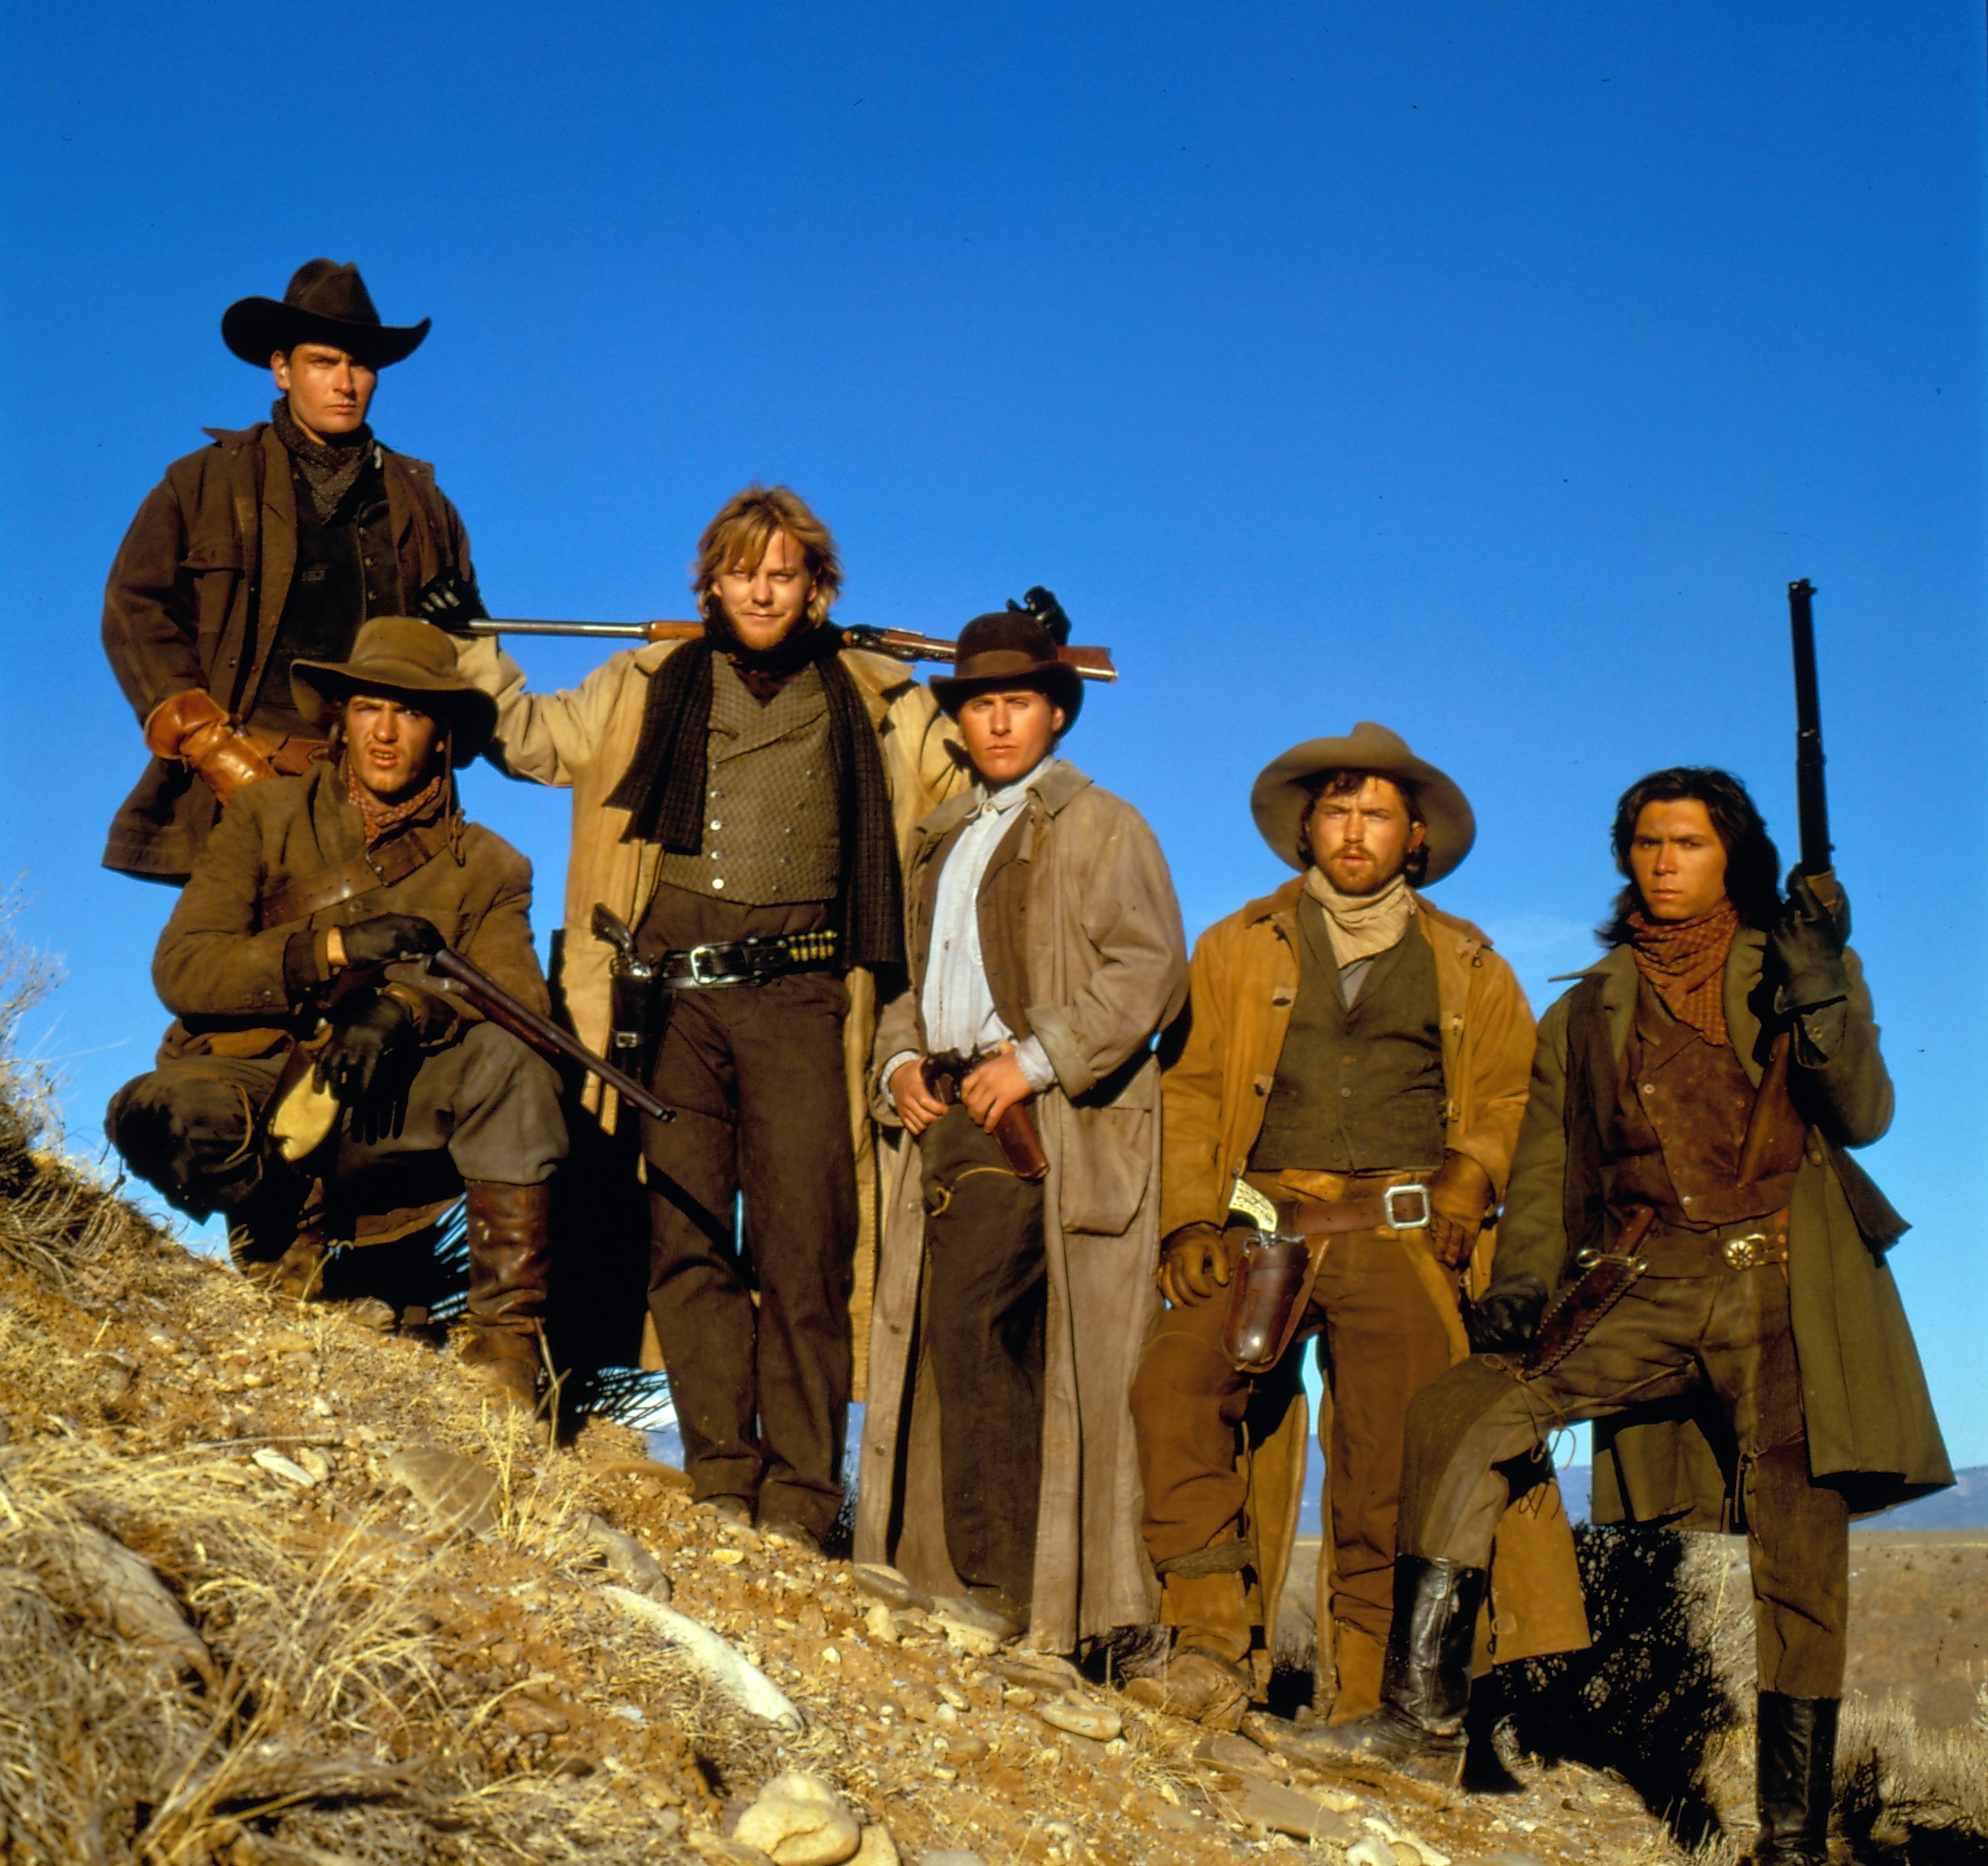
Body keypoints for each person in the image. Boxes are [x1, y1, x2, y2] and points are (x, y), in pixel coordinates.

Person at [1302, 768, 1952, 1861]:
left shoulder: (1793, 970)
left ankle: (1788, 1842)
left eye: (1687, 843)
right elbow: (1552, 1174)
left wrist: (1821, 985)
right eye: (1646, 843)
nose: (1662, 862)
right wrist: (1519, 1286)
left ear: (1729, 857)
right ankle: (1419, 1724)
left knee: (1800, 1544)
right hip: (1639, 1286)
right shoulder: (1583, 1008)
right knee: (1460, 1411)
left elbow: (1864, 1114)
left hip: (1780, 1284)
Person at [453, 485, 965, 1549]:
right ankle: (721, 1479)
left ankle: (798, 1499)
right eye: (741, 572)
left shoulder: (875, 697)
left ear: (815, 586)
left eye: (782, 573)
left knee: (806, 1248)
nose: (761, 590)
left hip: (806, 998)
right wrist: (467, 641)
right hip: (667, 1000)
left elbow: (968, 776)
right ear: (712, 584)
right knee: (684, 1238)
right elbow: (533, 739)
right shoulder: (647, 683)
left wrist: (1017, 669)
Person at [1126, 722, 1586, 1732]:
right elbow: (1194, 1090)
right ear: (1305, 826)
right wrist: (1184, 1220)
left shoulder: (1470, 961)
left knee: (1395, 1453)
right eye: (1334, 808)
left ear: (1412, 836)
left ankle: (1372, 1696)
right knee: (1171, 1383)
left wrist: (1472, 1173)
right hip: (1261, 1224)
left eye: (1375, 812)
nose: (1352, 828)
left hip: (1401, 1228)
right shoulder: (1236, 945)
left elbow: (1515, 1092)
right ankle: (1206, 1647)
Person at [105, 618, 565, 1412]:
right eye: (369, 708)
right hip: (255, 1082)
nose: (386, 733)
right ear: (341, 719)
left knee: (518, 1065)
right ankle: (279, 1243)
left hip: (389, 1109)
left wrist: (404, 1008)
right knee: (160, 1113)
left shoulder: (492, 866)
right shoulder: (260, 818)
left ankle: (503, 1355)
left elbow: (518, 1000)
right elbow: (183, 968)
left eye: (412, 713)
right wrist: (331, 949)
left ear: (444, 735)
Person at [855, 610, 1188, 1652]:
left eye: (1016, 703)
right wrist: (898, 1060)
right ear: (958, 721)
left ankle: (1006, 1592)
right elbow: (914, 983)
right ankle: (975, 1583)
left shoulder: (1104, 826)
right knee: (963, 1346)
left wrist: (1033, 1058)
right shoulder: (939, 836)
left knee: (983, 1332)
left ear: (1054, 713)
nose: (997, 721)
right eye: (978, 704)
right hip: (951, 1115)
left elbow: (1148, 970)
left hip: (1045, 1124)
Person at [102, 259, 475, 883]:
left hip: (387, 800)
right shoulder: (203, 481)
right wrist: (209, 746)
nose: (345, 383)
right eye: (323, 362)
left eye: (359, 365)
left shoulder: (426, 505)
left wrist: (458, 619)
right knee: (233, 974)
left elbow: (464, 657)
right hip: (234, 782)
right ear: (282, 370)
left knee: (401, 975)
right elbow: (135, 608)